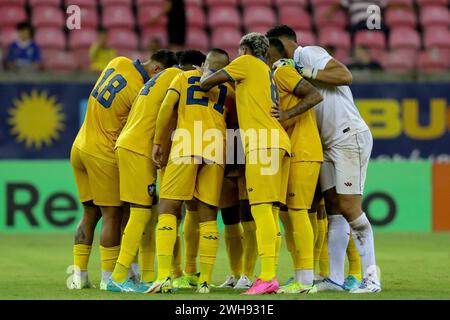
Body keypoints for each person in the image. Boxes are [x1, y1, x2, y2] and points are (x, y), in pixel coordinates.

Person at [266, 25, 381, 293]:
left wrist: (302, 70)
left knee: (350, 207)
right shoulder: (286, 72)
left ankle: (372, 278)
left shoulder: (308, 54)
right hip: (328, 143)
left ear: (282, 44)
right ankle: (335, 279)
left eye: (271, 53)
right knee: (333, 208)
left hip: (348, 136)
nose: (270, 61)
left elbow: (345, 75)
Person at [199, 33, 291, 295]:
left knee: (261, 210)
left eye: (240, 52)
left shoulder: (247, 63)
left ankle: (268, 277)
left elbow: (206, 83)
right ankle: (267, 275)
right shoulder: (266, 71)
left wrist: (205, 72)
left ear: (246, 50)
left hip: (262, 143)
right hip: (278, 142)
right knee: (270, 213)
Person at [149, 49, 235, 294]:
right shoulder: (229, 88)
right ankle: (205, 281)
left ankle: (164, 277)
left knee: (168, 208)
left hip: (186, 143)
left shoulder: (184, 77)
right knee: (208, 213)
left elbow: (166, 108)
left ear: (204, 64)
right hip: (216, 148)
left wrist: (158, 142)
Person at [69, 56, 155, 290]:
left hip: (79, 145)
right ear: (156, 69)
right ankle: (109, 278)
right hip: (102, 153)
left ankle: (79, 275)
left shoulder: (118, 62)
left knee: (89, 213)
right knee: (113, 215)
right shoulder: (140, 91)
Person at [104, 50, 179, 293]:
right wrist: (160, 145)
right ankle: (117, 276)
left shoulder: (154, 81)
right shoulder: (177, 76)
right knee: (140, 213)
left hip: (126, 145)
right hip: (138, 149)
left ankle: (142, 277)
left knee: (140, 212)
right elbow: (166, 115)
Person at [267, 37, 324, 294]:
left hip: (303, 149)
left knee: (298, 212)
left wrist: (287, 115)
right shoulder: (273, 75)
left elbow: (314, 95)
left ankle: (307, 280)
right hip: (291, 151)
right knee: (288, 214)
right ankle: (301, 276)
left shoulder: (282, 71)